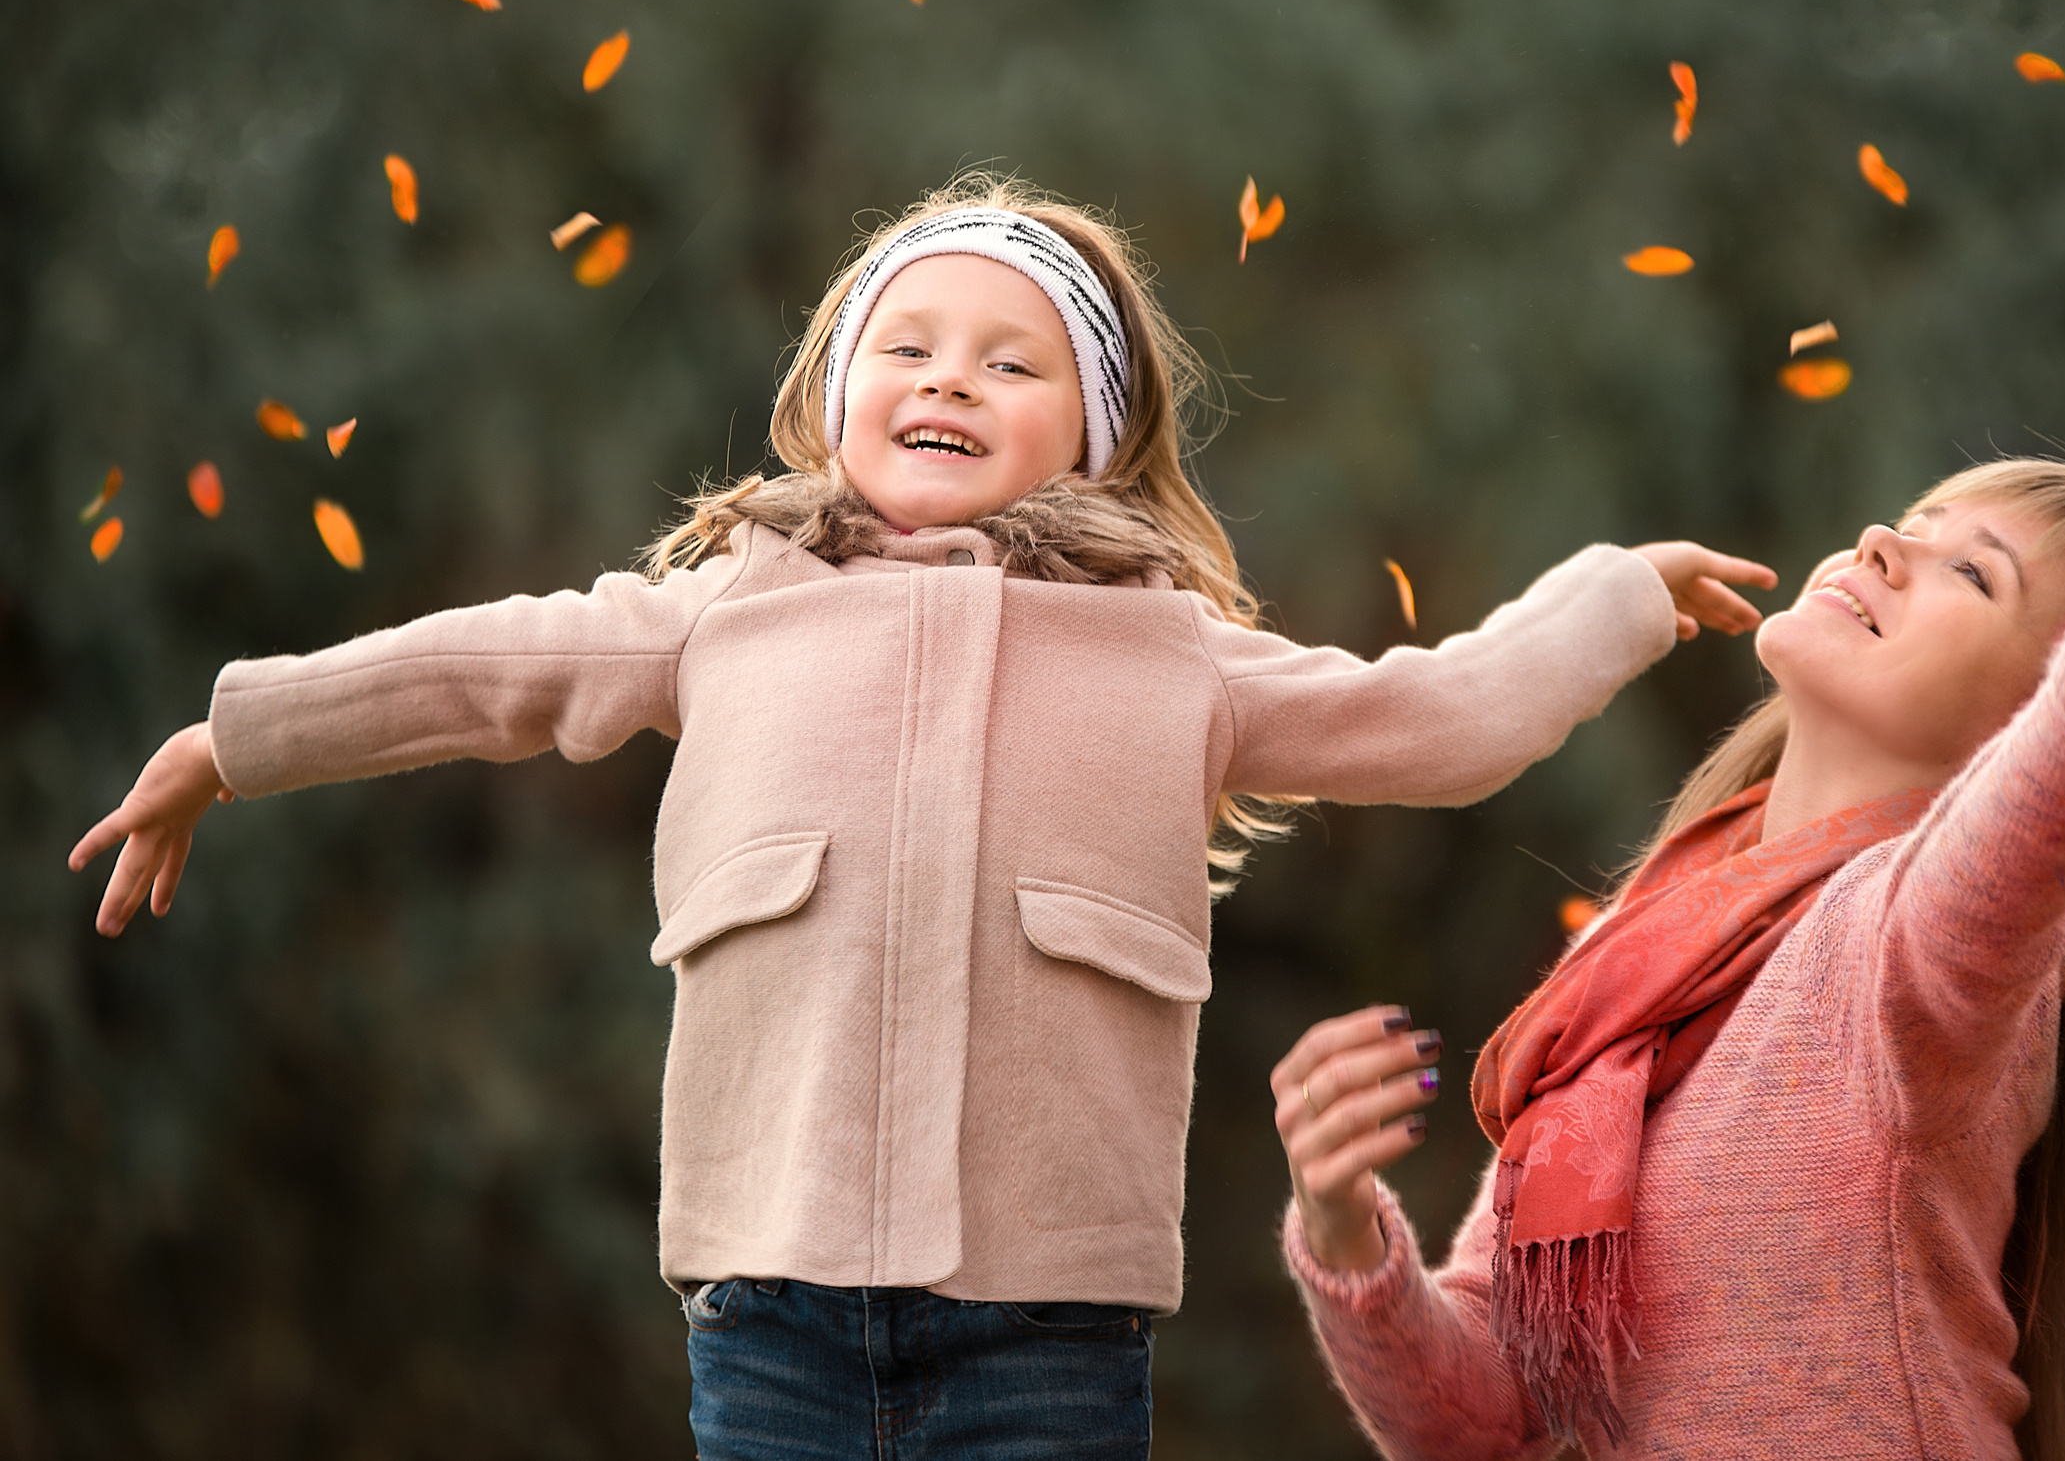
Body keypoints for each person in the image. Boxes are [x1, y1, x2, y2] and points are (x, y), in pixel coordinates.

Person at [68, 173, 1778, 1461]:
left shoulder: (1174, 653)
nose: (948, 378)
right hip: (769, 1295)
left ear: (1094, 439)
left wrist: (1616, 595)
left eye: (1014, 361)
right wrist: (236, 735)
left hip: (1049, 1323)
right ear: (834, 393)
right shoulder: (730, 606)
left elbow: (1447, 716)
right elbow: (482, 669)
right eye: (908, 344)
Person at [1270, 459, 2065, 1461]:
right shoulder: (1642, 955)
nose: (1884, 542)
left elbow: (2005, 861)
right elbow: (1482, 1416)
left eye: (1974, 573)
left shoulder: (1924, 962)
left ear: (2029, 717)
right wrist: (1342, 1229)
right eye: (1912, 518)